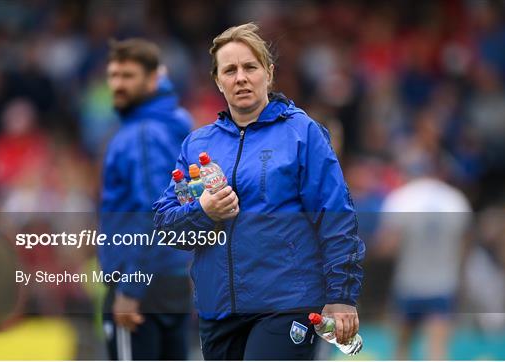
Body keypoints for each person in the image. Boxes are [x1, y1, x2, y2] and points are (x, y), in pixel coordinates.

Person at [153, 23, 365, 360]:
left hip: (287, 305)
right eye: (230, 70)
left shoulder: (301, 133)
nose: (241, 77)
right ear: (217, 81)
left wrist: (342, 295)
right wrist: (204, 212)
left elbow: (336, 216)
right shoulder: (197, 144)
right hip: (218, 311)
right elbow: (166, 226)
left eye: (250, 67)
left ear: (268, 73)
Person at [98, 38, 193, 360]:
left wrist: (130, 288)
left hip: (139, 283)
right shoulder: (173, 127)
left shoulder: (141, 134)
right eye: (114, 75)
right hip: (172, 276)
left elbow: (151, 211)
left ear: (154, 79)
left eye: (128, 76)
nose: (118, 84)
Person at [377, 152, 471, 359]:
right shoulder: (455, 199)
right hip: (442, 284)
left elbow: (388, 247)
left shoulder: (401, 199)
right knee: (437, 352)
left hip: (409, 283)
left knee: (401, 348)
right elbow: (464, 248)